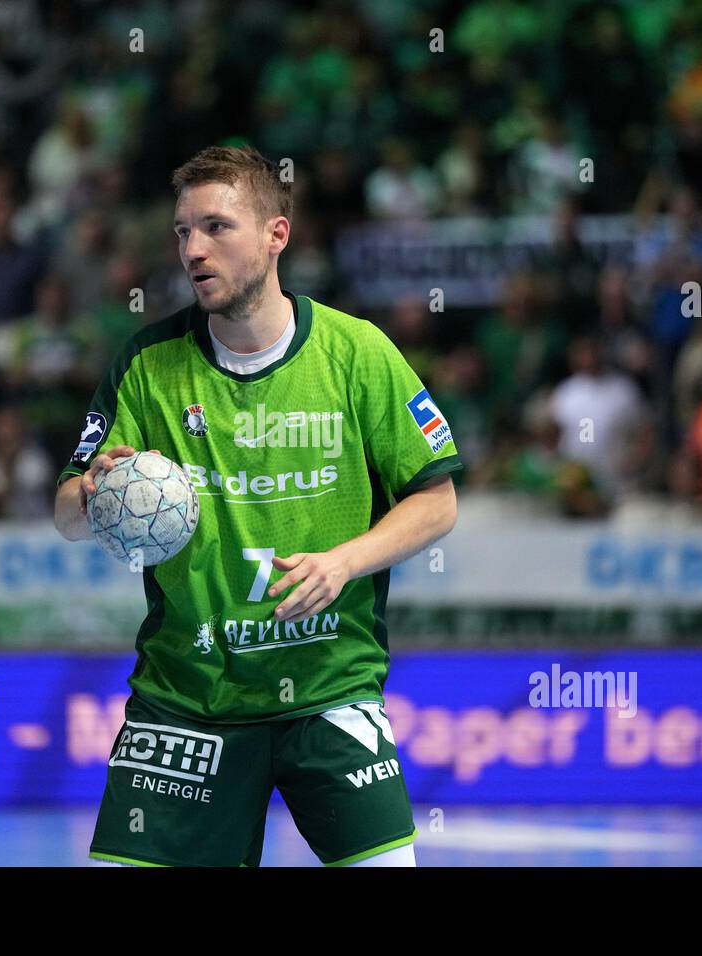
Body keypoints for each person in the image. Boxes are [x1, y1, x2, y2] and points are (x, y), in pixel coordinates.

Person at [53, 145, 460, 867]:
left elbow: (437, 501)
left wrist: (344, 562)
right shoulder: (148, 363)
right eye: (182, 231)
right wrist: (90, 494)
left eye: (217, 227)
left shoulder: (357, 353)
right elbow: (63, 513)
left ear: (277, 234)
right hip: (189, 700)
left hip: (331, 689)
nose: (194, 250)